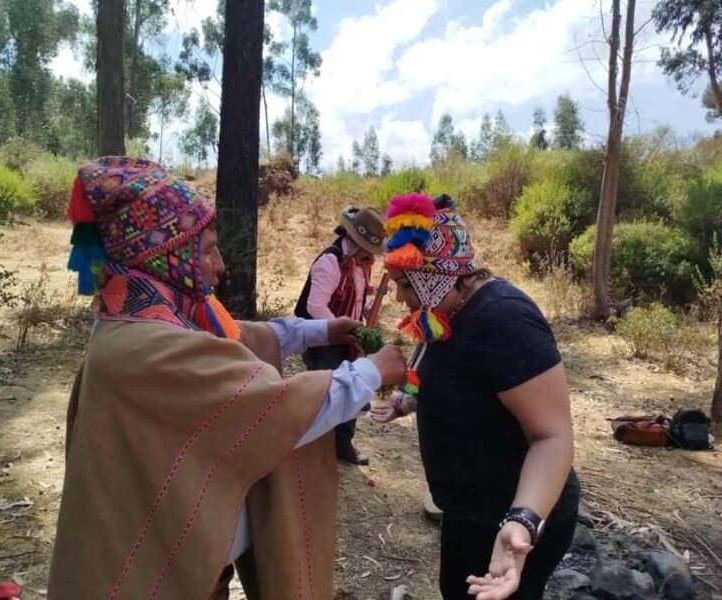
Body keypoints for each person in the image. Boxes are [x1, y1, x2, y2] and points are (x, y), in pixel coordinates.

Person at [48, 157, 407, 599]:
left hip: (189, 563)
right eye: (206, 250)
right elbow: (275, 411)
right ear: (165, 255)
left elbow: (238, 335)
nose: (220, 266)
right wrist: (372, 372)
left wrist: (322, 330)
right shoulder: (147, 349)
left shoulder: (147, 319)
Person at [371, 193, 580, 600]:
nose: (398, 298)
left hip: (513, 521)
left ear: (433, 276)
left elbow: (553, 438)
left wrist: (521, 521)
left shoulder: (505, 320)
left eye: (402, 285)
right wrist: (405, 402)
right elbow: (451, 381)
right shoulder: (441, 316)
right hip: (468, 510)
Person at [295, 205, 387, 465]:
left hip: (345, 336)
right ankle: (313, 448)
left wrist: (369, 309)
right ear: (356, 243)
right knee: (326, 391)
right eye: (371, 251)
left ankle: (342, 444)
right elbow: (315, 306)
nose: (374, 257)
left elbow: (355, 298)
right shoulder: (330, 262)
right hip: (322, 337)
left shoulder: (360, 264)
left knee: (351, 387)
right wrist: (341, 329)